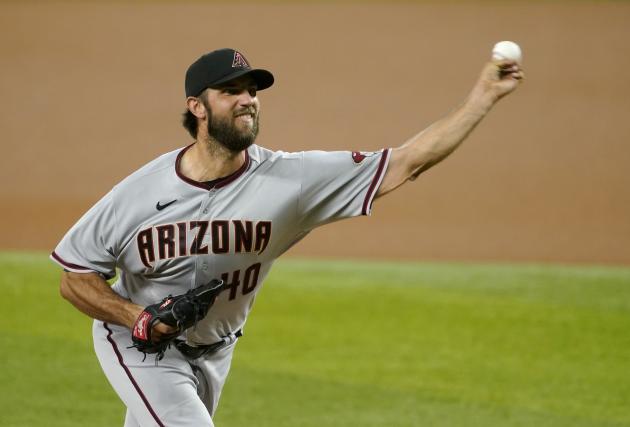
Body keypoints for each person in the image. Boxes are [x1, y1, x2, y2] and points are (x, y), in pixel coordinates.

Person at [51, 48, 522, 426]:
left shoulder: (290, 181)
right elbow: (74, 274)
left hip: (217, 350)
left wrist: (483, 96)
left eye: (252, 90)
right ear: (196, 107)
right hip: (138, 346)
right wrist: (136, 316)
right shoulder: (139, 193)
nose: (247, 99)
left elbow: (406, 162)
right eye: (231, 90)